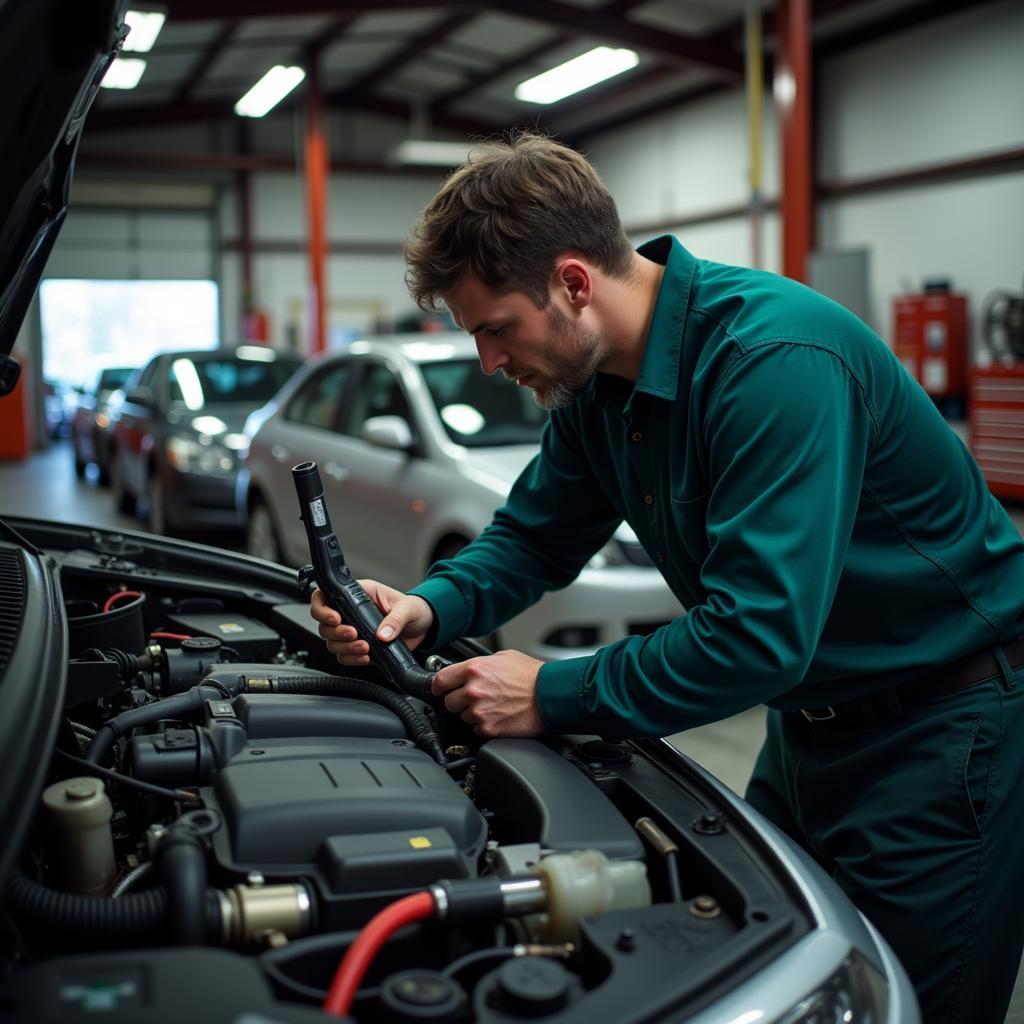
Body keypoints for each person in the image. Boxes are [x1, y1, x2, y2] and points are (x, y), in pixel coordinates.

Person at [310, 131, 1024, 1023]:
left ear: (574, 282)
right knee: (774, 968)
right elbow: (533, 539)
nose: (491, 361)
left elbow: (758, 635)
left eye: (497, 329)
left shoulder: (772, 364)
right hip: (809, 731)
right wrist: (424, 605)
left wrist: (553, 693)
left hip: (944, 737)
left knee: (908, 1004)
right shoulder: (593, 384)